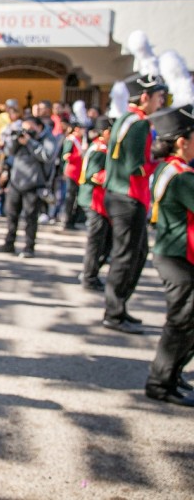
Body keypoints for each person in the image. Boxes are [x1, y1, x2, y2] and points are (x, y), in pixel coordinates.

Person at [102, 73, 166, 334]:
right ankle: (114, 312)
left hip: (120, 194)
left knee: (135, 254)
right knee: (126, 256)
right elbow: (136, 167)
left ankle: (119, 307)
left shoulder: (126, 119)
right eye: (159, 96)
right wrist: (159, 162)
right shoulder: (138, 123)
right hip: (128, 195)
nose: (162, 102)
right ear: (145, 97)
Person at [144, 103, 194, 407]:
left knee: (186, 323)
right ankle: (160, 383)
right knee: (181, 323)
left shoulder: (171, 168)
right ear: (181, 141)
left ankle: (172, 375)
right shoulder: (182, 175)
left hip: (174, 252)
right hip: (178, 255)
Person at [0, 116, 56, 258]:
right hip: (15, 182)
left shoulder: (47, 138)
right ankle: (9, 244)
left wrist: (30, 142)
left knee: (30, 217)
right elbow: (9, 152)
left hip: (34, 184)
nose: (26, 132)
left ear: (38, 127)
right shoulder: (20, 138)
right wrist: (16, 140)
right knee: (11, 215)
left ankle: (29, 246)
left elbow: (48, 156)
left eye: (30, 129)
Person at [78, 116, 113, 292]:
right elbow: (93, 175)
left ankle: (91, 272)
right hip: (93, 199)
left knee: (105, 241)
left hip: (100, 200)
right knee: (96, 241)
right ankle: (88, 275)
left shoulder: (103, 148)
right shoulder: (99, 149)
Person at [61, 118, 86, 230]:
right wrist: (79, 155)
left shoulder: (79, 140)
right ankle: (67, 221)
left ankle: (74, 219)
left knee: (75, 197)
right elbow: (66, 156)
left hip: (78, 172)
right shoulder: (71, 140)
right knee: (70, 198)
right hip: (72, 172)